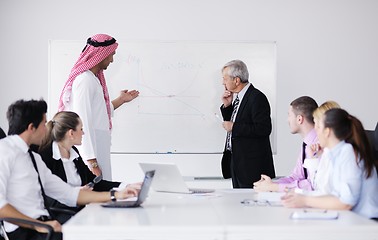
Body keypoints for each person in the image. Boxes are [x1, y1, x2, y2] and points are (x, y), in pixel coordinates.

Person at [0, 99, 139, 240]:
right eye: (43, 124)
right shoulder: (4, 152)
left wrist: (116, 195)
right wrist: (37, 225)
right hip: (26, 231)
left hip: (44, 225)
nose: (47, 128)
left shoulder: (32, 158)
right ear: (31, 128)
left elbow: (68, 193)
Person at [58, 33, 139, 179]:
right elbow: (82, 120)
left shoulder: (92, 79)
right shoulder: (85, 81)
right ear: (102, 55)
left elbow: (99, 112)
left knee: (104, 191)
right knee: (97, 193)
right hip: (91, 154)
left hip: (97, 148)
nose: (112, 60)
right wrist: (91, 161)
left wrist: (121, 100)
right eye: (111, 55)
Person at [37, 111, 141, 220]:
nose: (83, 133)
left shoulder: (73, 153)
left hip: (78, 213)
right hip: (58, 215)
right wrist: (77, 195)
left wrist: (126, 186)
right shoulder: (45, 156)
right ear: (71, 133)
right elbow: (44, 196)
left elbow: (94, 183)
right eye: (81, 129)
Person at [281, 108, 378, 219]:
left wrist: (305, 200)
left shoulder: (348, 152)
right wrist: (300, 194)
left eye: (318, 127)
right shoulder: (333, 153)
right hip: (351, 220)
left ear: (327, 132)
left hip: (366, 224)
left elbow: (346, 202)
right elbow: (328, 193)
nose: (315, 131)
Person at [219, 59, 275, 188]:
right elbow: (238, 122)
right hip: (238, 164)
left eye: (225, 79)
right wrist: (227, 106)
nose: (223, 82)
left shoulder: (256, 98)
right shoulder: (238, 97)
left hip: (252, 168)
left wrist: (234, 127)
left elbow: (263, 128)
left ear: (236, 80)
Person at [253, 96, 319, 192]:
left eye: (289, 115)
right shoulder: (307, 144)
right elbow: (296, 177)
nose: (287, 120)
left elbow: (312, 185)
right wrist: (271, 184)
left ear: (299, 119)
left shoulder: (320, 144)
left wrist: (274, 187)